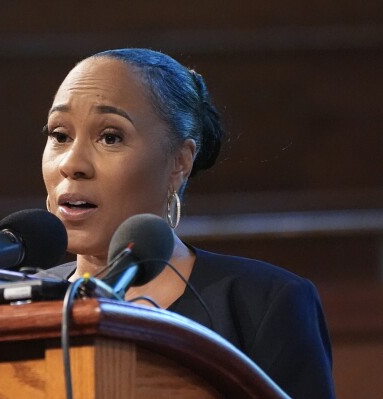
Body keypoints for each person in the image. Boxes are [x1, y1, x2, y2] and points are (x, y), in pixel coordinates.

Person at [40, 48, 335, 398]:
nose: (72, 164)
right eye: (60, 135)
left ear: (179, 163)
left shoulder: (264, 303)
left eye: (110, 137)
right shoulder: (13, 306)